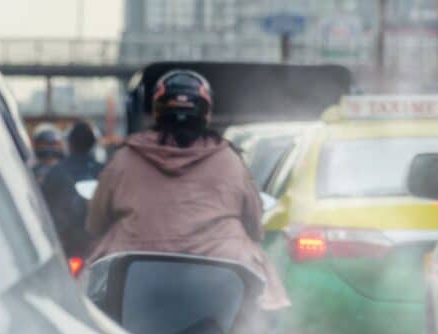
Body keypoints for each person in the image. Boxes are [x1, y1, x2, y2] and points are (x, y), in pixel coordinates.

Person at [85, 69, 289, 311]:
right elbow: (255, 225)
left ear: (157, 110)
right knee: (262, 303)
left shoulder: (124, 159)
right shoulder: (229, 159)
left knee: (85, 297)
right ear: (206, 112)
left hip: (134, 290)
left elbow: (96, 224)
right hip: (222, 285)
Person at [32, 125, 90, 258]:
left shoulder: (65, 171)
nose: (49, 150)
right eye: (44, 145)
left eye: (54, 144)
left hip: (68, 235)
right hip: (53, 234)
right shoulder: (31, 172)